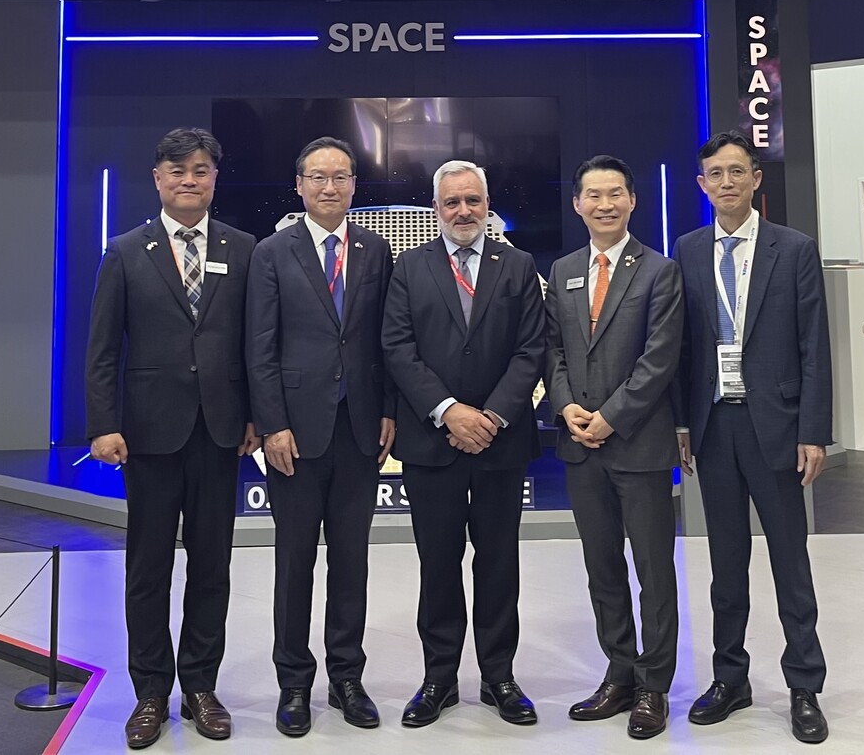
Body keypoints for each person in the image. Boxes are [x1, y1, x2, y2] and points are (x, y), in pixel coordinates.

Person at [85, 127, 258, 749]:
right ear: (158, 178)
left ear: (215, 178)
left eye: (201, 169)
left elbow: (256, 344)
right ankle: (151, 692)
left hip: (220, 430)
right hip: (148, 434)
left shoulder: (244, 249)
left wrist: (257, 416)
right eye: (178, 170)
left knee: (212, 566)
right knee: (148, 567)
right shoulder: (125, 251)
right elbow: (103, 349)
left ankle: (202, 687)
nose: (190, 179)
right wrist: (103, 423)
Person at [673, 129, 832, 744]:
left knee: (791, 560)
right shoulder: (688, 250)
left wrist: (813, 431)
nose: (727, 182)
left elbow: (814, 345)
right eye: (715, 173)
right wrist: (682, 422)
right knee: (726, 561)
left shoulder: (793, 249)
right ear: (702, 184)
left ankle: (804, 686)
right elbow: (683, 348)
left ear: (755, 179)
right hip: (715, 427)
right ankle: (730, 678)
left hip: (778, 428)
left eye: (737, 171)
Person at [381, 160, 545, 728]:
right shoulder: (409, 266)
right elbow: (398, 348)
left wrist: (491, 417)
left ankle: (500, 677)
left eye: (473, 200)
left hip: (500, 442)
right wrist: (449, 411)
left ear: (487, 204)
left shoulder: (518, 265)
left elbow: (531, 350)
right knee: (438, 564)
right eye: (452, 202)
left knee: (499, 563)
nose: (463, 211)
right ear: (436, 209)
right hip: (432, 442)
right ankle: (440, 678)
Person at [245, 136, 396, 737]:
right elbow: (259, 347)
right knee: (295, 563)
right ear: (300, 185)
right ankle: (293, 682)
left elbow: (387, 339)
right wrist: (272, 424)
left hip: (359, 429)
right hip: (295, 434)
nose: (329, 187)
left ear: (354, 185)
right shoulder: (271, 252)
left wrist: (387, 409)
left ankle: (347, 678)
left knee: (352, 561)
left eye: (340, 177)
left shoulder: (376, 249)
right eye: (318, 177)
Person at [544, 155, 683, 740]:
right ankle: (619, 673)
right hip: (581, 448)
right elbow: (552, 349)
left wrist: (610, 418)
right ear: (577, 204)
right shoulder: (563, 269)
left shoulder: (659, 271)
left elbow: (659, 360)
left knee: (653, 570)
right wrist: (565, 406)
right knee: (601, 567)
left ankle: (654, 685)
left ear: (632, 200)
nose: (605, 204)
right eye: (593, 195)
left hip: (639, 446)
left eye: (615, 194)